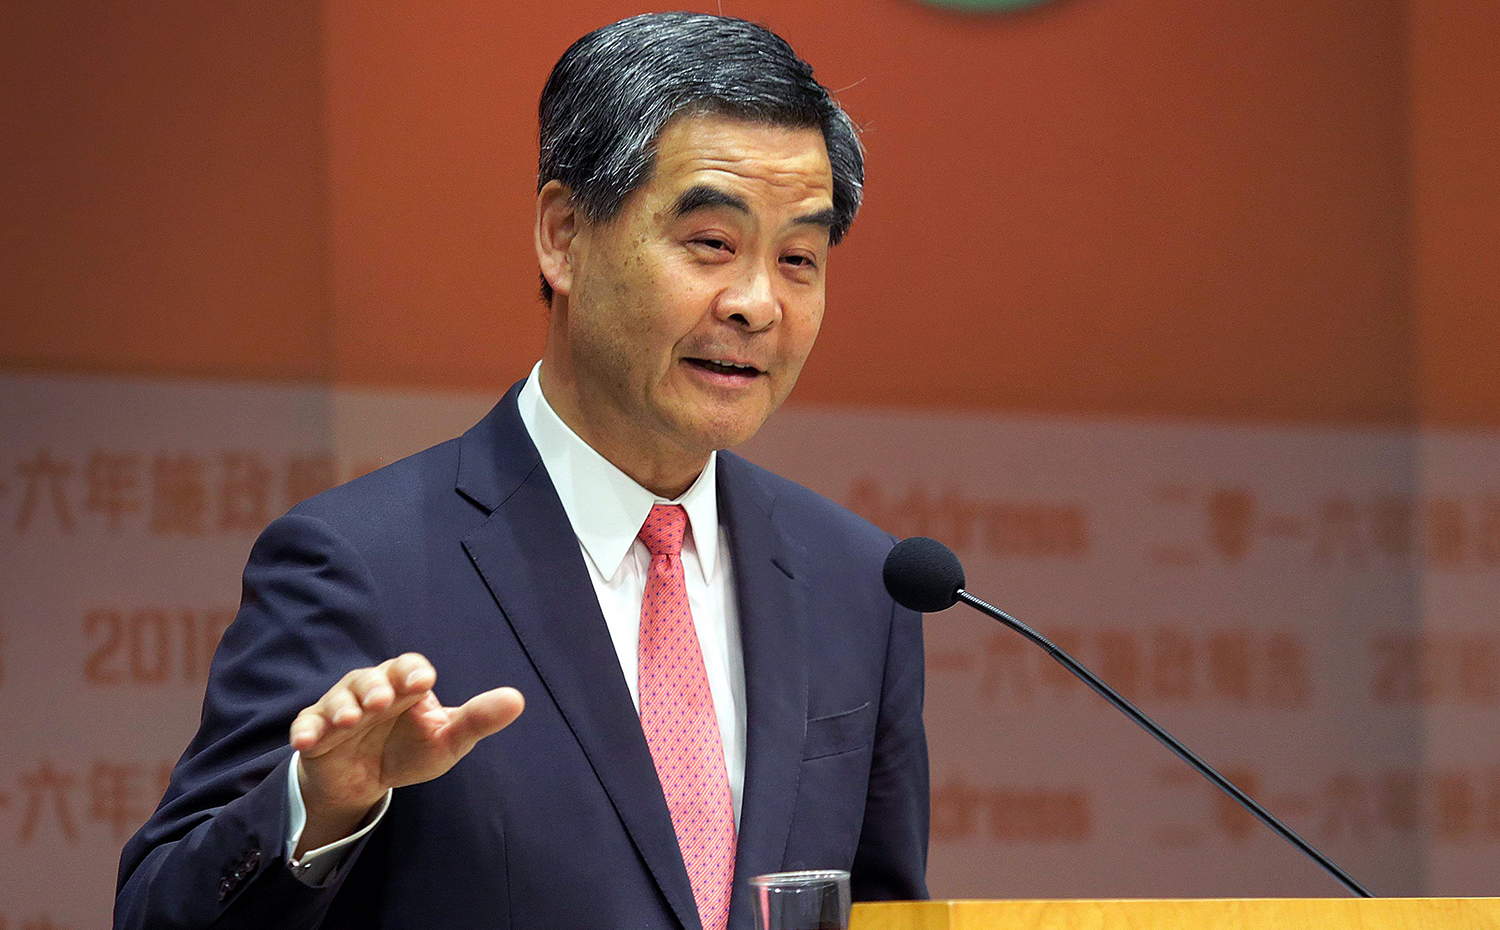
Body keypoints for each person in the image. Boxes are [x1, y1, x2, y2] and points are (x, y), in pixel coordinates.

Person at [115, 12, 928, 930]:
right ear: (563, 235)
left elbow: (888, 905)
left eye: (799, 260)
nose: (755, 304)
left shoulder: (859, 582)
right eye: (711, 243)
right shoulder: (361, 566)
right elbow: (157, 913)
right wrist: (319, 808)